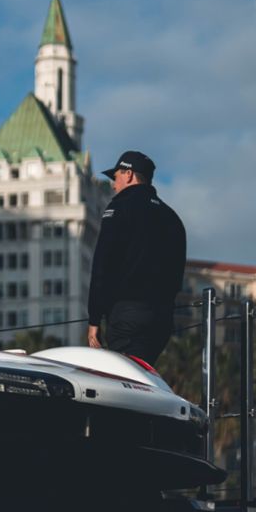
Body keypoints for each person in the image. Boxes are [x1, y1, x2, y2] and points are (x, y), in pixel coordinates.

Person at [86, 151, 185, 367]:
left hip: (128, 315)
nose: (113, 185)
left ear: (129, 174)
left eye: (116, 177)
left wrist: (94, 319)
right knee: (142, 376)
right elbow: (178, 275)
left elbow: (102, 265)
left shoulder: (120, 207)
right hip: (162, 318)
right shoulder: (172, 218)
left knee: (125, 380)